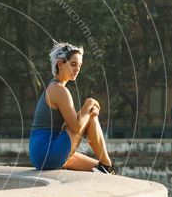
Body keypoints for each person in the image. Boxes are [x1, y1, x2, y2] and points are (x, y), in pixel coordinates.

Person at [28, 41, 117, 174]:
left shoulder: (54, 87)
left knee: (98, 169)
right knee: (90, 115)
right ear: (60, 64)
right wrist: (89, 103)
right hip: (47, 152)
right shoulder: (59, 90)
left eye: (80, 66)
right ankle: (107, 164)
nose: (77, 69)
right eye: (73, 64)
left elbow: (73, 124)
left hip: (39, 156)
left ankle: (105, 166)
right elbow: (76, 127)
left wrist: (88, 111)